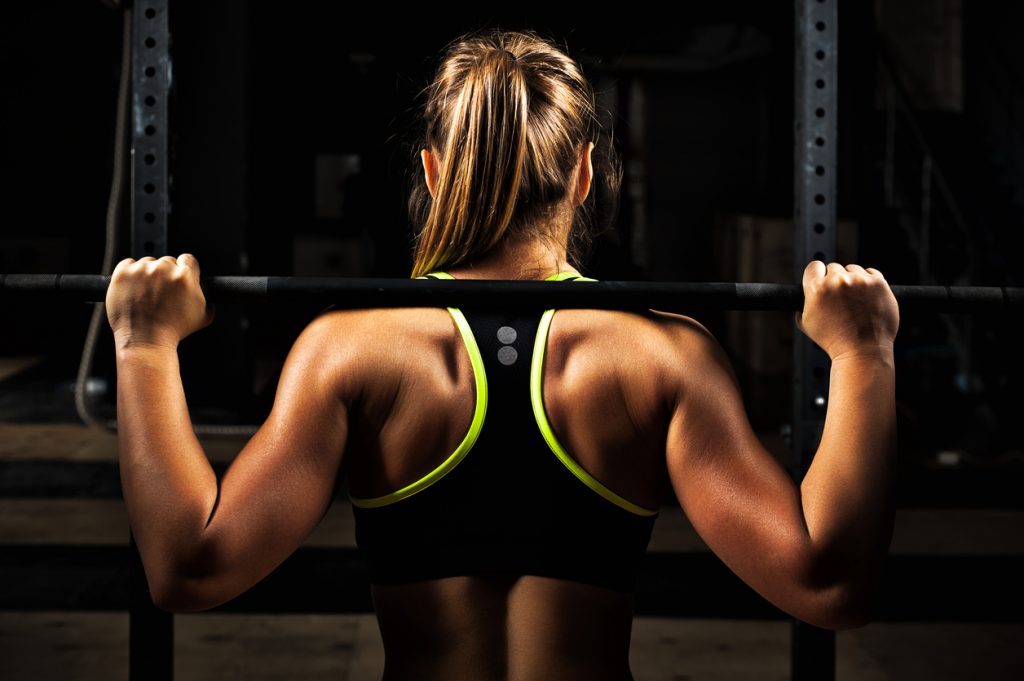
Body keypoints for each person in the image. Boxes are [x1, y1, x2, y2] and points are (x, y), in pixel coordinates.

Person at [104, 28, 899, 681]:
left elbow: (190, 570)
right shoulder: (662, 357)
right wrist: (863, 352)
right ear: (586, 175)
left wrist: (144, 342)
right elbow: (830, 587)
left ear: (432, 171)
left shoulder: (347, 350)